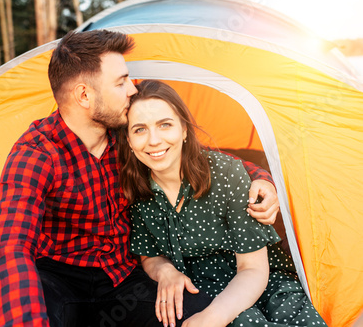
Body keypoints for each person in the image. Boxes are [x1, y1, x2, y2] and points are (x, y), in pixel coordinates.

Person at [0, 30, 279, 327]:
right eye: (121, 81)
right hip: (61, 280)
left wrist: (261, 178)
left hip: (123, 279)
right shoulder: (36, 153)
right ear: (84, 95)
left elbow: (194, 156)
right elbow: (8, 249)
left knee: (200, 315)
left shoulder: (130, 134)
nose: (132, 90)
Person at [118, 79, 327, 327]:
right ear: (129, 141)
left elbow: (252, 268)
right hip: (200, 289)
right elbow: (149, 255)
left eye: (165, 125)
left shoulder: (225, 173)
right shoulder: (135, 190)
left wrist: (212, 317)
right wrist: (166, 270)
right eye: (139, 129)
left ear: (184, 130)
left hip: (261, 280)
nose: (153, 140)